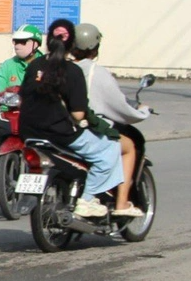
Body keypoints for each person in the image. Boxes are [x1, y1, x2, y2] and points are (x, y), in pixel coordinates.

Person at [19, 18, 129, 221]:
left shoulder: (34, 66)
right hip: (60, 134)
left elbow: (23, 97)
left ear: (47, 41)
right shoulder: (73, 71)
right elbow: (78, 114)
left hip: (28, 132)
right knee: (110, 147)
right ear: (72, 45)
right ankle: (87, 200)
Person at [70, 22, 149, 198]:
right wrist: (142, 112)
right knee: (129, 147)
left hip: (56, 130)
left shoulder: (58, 68)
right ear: (94, 48)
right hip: (86, 131)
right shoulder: (95, 73)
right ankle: (121, 203)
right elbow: (119, 106)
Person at [0, 24, 42, 178]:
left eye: (23, 42)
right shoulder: (8, 65)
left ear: (35, 43)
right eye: (15, 42)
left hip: (39, 116)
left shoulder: (46, 64)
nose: (18, 45)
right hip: (11, 115)